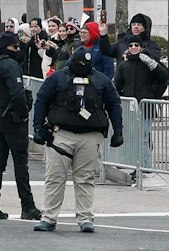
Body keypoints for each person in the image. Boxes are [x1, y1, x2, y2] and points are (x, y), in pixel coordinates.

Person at [30, 44, 125, 233]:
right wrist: (38, 128)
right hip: (60, 134)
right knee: (55, 178)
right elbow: (41, 100)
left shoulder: (101, 81)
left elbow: (114, 105)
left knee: (86, 178)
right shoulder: (58, 78)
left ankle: (85, 218)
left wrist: (118, 132)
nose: (81, 65)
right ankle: (49, 217)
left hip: (90, 136)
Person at [0, 32, 39, 220]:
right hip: (11, 117)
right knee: (20, 163)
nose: (18, 50)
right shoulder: (9, 64)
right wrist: (23, 114)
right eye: (16, 47)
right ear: (9, 47)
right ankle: (27, 206)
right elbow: (18, 94)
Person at [116, 14, 169, 101]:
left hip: (146, 105)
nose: (133, 47)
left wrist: (153, 95)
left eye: (136, 45)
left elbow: (164, 77)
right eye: (130, 45)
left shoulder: (148, 62)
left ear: (141, 47)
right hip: (130, 106)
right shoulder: (124, 65)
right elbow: (117, 85)